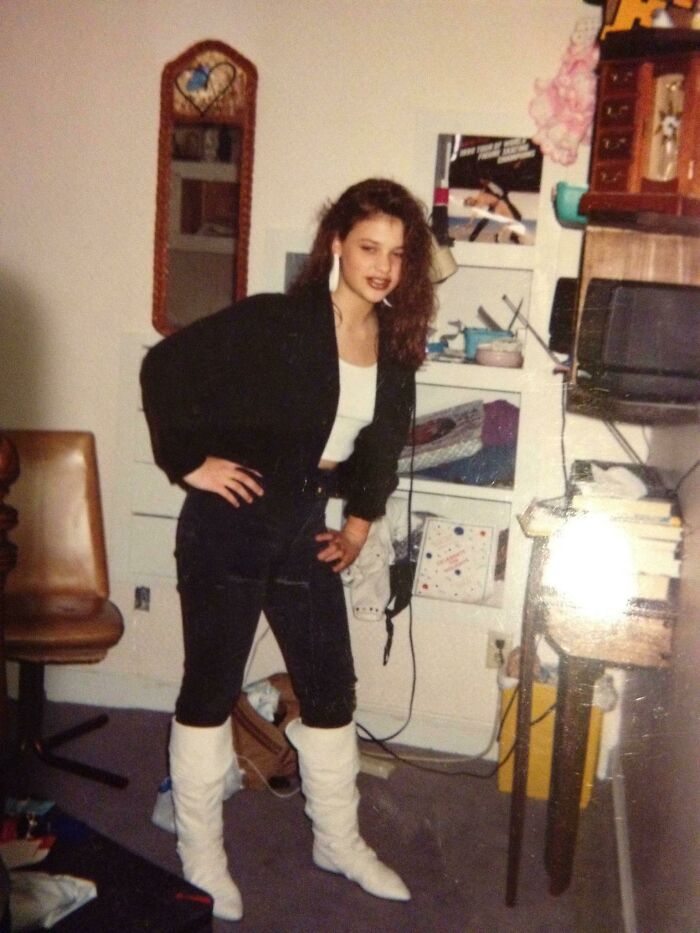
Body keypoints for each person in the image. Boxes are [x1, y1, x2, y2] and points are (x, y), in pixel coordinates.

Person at [140, 178, 435, 922]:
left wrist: (361, 521)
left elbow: (379, 440)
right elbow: (165, 367)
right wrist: (189, 463)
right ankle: (202, 853)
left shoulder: (394, 342)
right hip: (232, 518)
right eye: (369, 247)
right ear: (337, 243)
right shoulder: (279, 320)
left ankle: (337, 839)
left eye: (398, 254)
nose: (383, 265)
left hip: (304, 518)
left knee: (331, 684)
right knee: (210, 684)